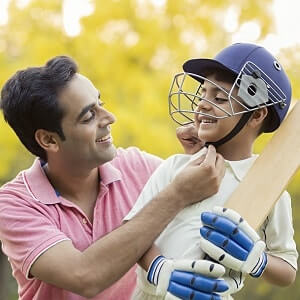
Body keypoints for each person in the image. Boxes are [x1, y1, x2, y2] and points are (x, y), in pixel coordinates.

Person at [0, 56, 228, 300]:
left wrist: (198, 156)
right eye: (88, 116)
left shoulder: (137, 166)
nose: (109, 118)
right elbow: (84, 276)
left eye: (101, 103)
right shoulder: (14, 205)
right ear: (49, 140)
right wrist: (176, 194)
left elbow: (202, 194)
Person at [124, 43, 298, 299]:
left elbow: (288, 269)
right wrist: (160, 269)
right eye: (202, 94)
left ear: (256, 115)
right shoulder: (176, 166)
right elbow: (134, 231)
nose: (203, 105)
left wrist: (257, 260)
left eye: (218, 98)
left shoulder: (270, 188)